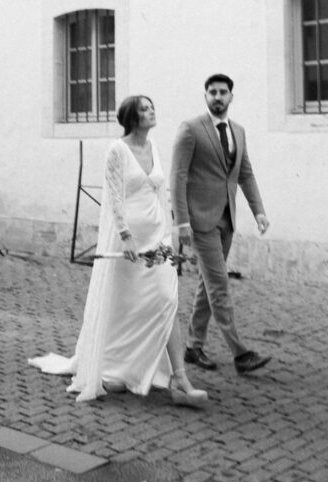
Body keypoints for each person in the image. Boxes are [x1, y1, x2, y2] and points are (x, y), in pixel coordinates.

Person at [29, 95, 207, 408]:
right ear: (131, 117)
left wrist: (171, 231)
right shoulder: (118, 150)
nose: (152, 111)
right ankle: (117, 365)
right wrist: (124, 237)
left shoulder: (154, 147)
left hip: (157, 237)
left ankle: (180, 379)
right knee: (126, 305)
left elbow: (160, 193)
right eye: (145, 109)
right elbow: (113, 197)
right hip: (130, 241)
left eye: (153, 107)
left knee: (166, 301)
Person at [170, 74, 271, 375]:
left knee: (207, 283)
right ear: (205, 96)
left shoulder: (238, 131)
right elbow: (178, 176)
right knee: (219, 285)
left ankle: (192, 346)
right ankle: (240, 354)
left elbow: (246, 174)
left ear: (231, 97)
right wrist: (182, 221)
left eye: (223, 92)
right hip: (200, 221)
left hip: (227, 218)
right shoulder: (190, 129)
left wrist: (259, 212)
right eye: (212, 92)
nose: (217, 97)